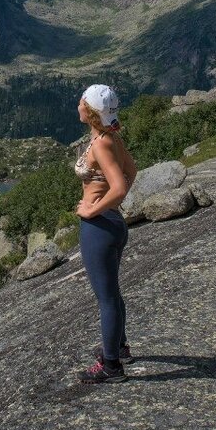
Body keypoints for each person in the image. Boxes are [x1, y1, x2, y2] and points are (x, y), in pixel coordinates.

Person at [74, 84, 138, 383]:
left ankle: (111, 365)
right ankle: (120, 346)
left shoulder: (101, 143)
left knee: (106, 298)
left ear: (90, 110)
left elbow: (121, 186)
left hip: (99, 228)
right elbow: (131, 170)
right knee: (112, 292)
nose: (79, 103)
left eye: (83, 100)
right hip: (113, 223)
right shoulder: (110, 136)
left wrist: (92, 209)